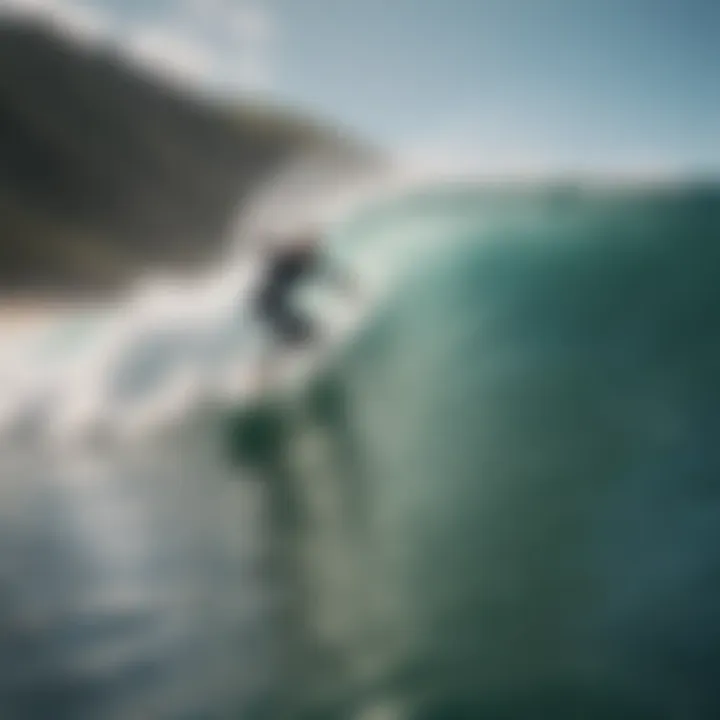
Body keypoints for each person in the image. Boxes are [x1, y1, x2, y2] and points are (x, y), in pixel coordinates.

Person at [252, 229, 356, 386]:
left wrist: (345, 287)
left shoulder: (303, 260)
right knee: (306, 334)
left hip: (268, 304)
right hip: (269, 304)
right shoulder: (290, 258)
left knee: (297, 336)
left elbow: (327, 273)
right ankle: (265, 374)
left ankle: (264, 373)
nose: (312, 250)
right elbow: (271, 249)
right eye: (309, 246)